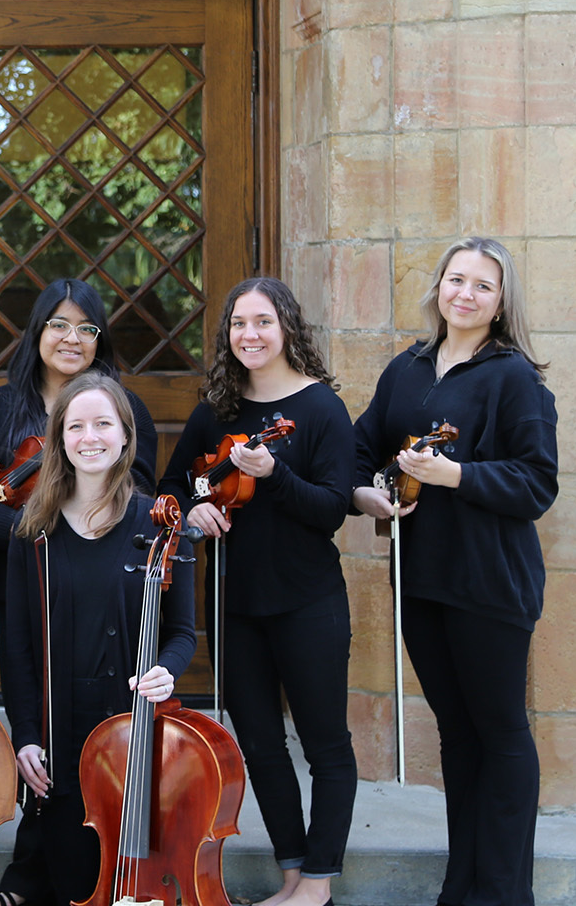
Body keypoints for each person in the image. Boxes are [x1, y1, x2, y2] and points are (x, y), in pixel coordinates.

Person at [0, 278, 156, 906]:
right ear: (37, 333)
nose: (72, 339)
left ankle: (69, 871)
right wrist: (19, 531)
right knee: (42, 718)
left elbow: (134, 491)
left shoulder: (121, 411)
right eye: (59, 325)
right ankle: (43, 869)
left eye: (86, 328)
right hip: (28, 582)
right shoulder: (1, 408)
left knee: (98, 730)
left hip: (106, 594)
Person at [352, 236, 557, 906]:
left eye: (482, 286)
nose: (464, 294)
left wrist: (455, 474)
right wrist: (370, 492)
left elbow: (536, 483)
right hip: (422, 581)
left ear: (500, 305)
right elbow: (360, 448)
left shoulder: (515, 377)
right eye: (456, 279)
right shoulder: (407, 370)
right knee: (458, 733)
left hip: (489, 585)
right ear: (438, 286)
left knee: (499, 733)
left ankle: (501, 894)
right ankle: (461, 888)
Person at [158, 278, 356, 906]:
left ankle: (320, 882)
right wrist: (193, 512)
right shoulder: (214, 411)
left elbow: (331, 509)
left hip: (308, 601)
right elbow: (170, 489)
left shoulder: (322, 409)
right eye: (239, 324)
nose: (250, 334)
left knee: (325, 744)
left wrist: (274, 476)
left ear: (287, 328)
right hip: (235, 603)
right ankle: (292, 872)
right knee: (262, 745)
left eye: (263, 322)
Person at [2, 372, 195, 906]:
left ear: (125, 436)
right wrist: (24, 736)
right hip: (61, 737)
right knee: (74, 881)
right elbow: (16, 648)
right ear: (60, 438)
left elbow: (181, 633)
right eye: (77, 425)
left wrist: (167, 670)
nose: (91, 437)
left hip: (135, 732)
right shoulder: (32, 531)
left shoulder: (159, 523)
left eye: (103, 424)